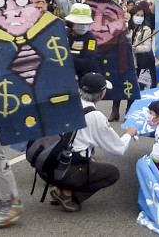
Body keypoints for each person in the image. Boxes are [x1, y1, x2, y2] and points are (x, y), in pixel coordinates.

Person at [49, 73, 138, 212]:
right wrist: (128, 134)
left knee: (82, 152)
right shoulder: (95, 116)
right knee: (112, 173)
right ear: (102, 94)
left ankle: (58, 188)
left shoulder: (68, 103)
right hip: (70, 168)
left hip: (50, 165)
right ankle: (68, 196)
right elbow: (116, 149)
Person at [65, 3, 98, 80]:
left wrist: (67, 58)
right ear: (71, 23)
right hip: (65, 77)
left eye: (86, 24)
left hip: (82, 79)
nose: (83, 26)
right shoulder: (65, 34)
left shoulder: (91, 39)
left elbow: (87, 62)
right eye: (80, 23)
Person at [128, 5, 156, 89]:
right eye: (137, 15)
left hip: (141, 63)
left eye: (141, 15)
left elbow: (147, 47)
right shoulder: (126, 28)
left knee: (138, 88)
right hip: (126, 63)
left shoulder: (146, 29)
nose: (139, 17)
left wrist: (135, 49)